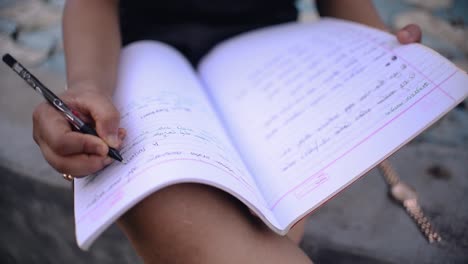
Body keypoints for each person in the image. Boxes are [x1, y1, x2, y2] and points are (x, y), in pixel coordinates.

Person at [32, 0, 422, 263]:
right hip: (142, 70)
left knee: (264, 223)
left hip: (272, 75)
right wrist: (88, 86)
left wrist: (380, 49)